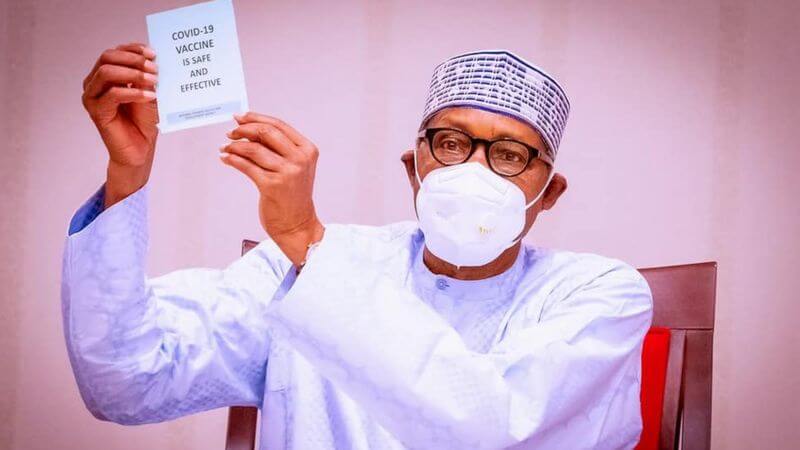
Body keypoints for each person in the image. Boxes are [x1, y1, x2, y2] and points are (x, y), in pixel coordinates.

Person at [62, 43, 653, 450]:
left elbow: (483, 426)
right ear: (412, 168)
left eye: (509, 155)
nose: (475, 172)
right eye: (449, 143)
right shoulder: (288, 269)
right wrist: (127, 176)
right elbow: (128, 382)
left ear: (550, 193)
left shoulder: (600, 294)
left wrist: (307, 239)